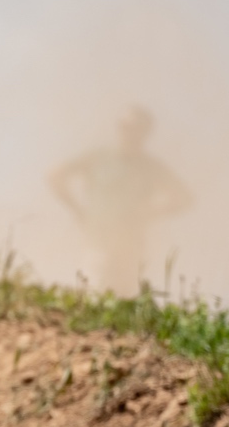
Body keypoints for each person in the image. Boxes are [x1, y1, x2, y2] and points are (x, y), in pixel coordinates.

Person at [50, 106, 192, 295]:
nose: (129, 133)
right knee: (92, 293)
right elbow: (55, 176)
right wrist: (78, 211)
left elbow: (184, 198)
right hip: (97, 242)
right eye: (124, 126)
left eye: (136, 128)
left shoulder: (151, 167)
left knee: (124, 300)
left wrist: (151, 213)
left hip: (131, 248)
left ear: (145, 132)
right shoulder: (98, 157)